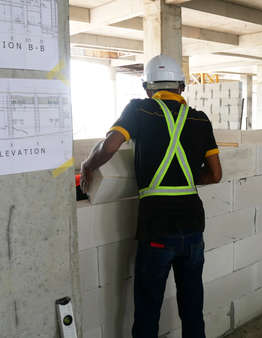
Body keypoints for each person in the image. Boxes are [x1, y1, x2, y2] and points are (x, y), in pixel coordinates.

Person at [80, 54, 222, 338]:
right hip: (193, 226)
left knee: (147, 310)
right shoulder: (199, 118)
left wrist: (87, 166)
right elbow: (215, 174)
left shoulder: (139, 110)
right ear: (182, 87)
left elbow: (109, 147)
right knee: (193, 307)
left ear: (148, 88)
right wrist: (184, 180)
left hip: (158, 227)